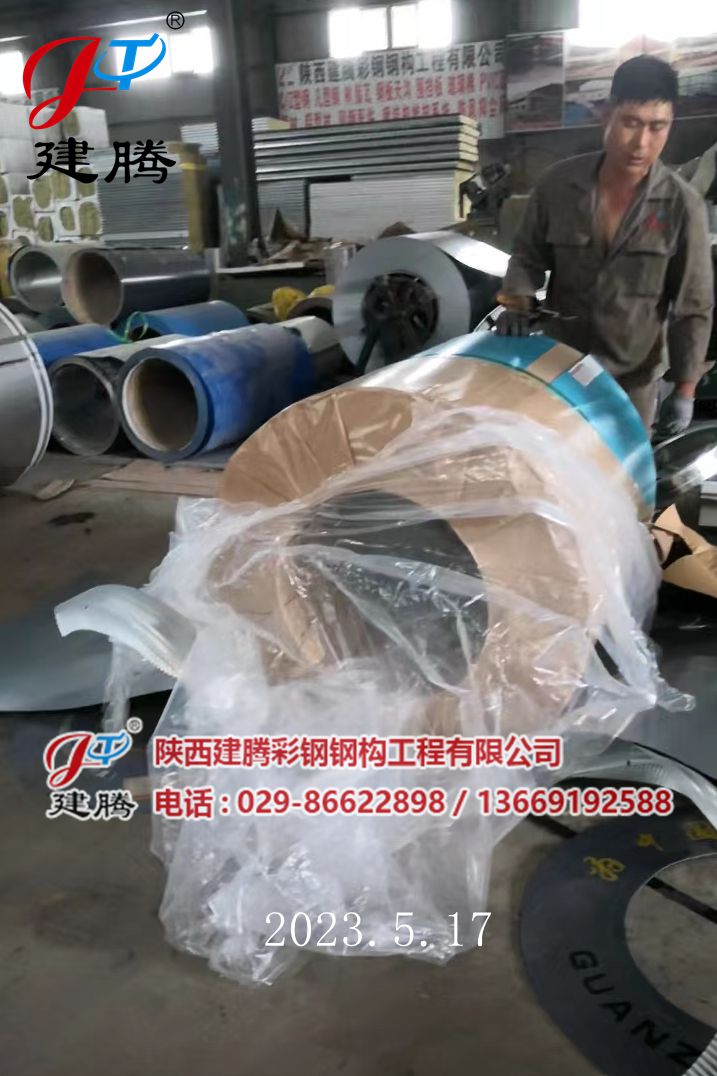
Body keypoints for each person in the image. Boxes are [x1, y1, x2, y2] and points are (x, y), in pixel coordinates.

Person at [496, 55, 714, 438]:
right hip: (559, 369)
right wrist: (517, 301)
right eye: (631, 123)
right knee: (555, 461)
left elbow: (692, 308)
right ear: (606, 115)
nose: (642, 143)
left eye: (657, 127)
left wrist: (685, 389)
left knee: (620, 472)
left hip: (632, 383)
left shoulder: (683, 207)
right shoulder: (558, 186)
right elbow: (528, 254)